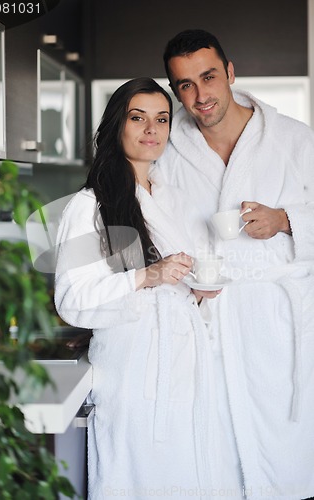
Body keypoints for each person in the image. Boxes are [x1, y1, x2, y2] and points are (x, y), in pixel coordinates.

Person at [54, 77, 244, 499]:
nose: (151, 130)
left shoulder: (174, 198)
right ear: (116, 125)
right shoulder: (89, 206)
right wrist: (147, 276)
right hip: (135, 376)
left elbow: (182, 280)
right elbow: (72, 301)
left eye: (161, 119)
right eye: (138, 118)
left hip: (189, 369)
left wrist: (196, 291)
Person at [156, 29, 314, 500]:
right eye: (185, 84)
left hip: (278, 326)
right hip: (209, 324)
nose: (200, 95)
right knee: (217, 459)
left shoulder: (294, 140)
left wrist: (287, 220)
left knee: (285, 457)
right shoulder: (168, 151)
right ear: (175, 91)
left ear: (229, 72)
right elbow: (149, 225)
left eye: (208, 77)